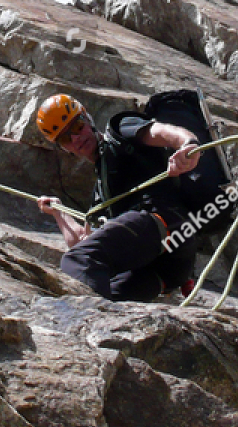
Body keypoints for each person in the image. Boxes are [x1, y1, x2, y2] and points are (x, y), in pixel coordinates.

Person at [35, 93, 207, 302]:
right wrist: (59, 213)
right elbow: (82, 241)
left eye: (77, 127)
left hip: (165, 224)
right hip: (166, 270)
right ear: (63, 148)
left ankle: (87, 321)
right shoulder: (101, 192)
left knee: (80, 261)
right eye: (64, 138)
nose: (75, 139)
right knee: (105, 295)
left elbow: (160, 130)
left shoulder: (120, 131)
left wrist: (188, 144)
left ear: (87, 119)